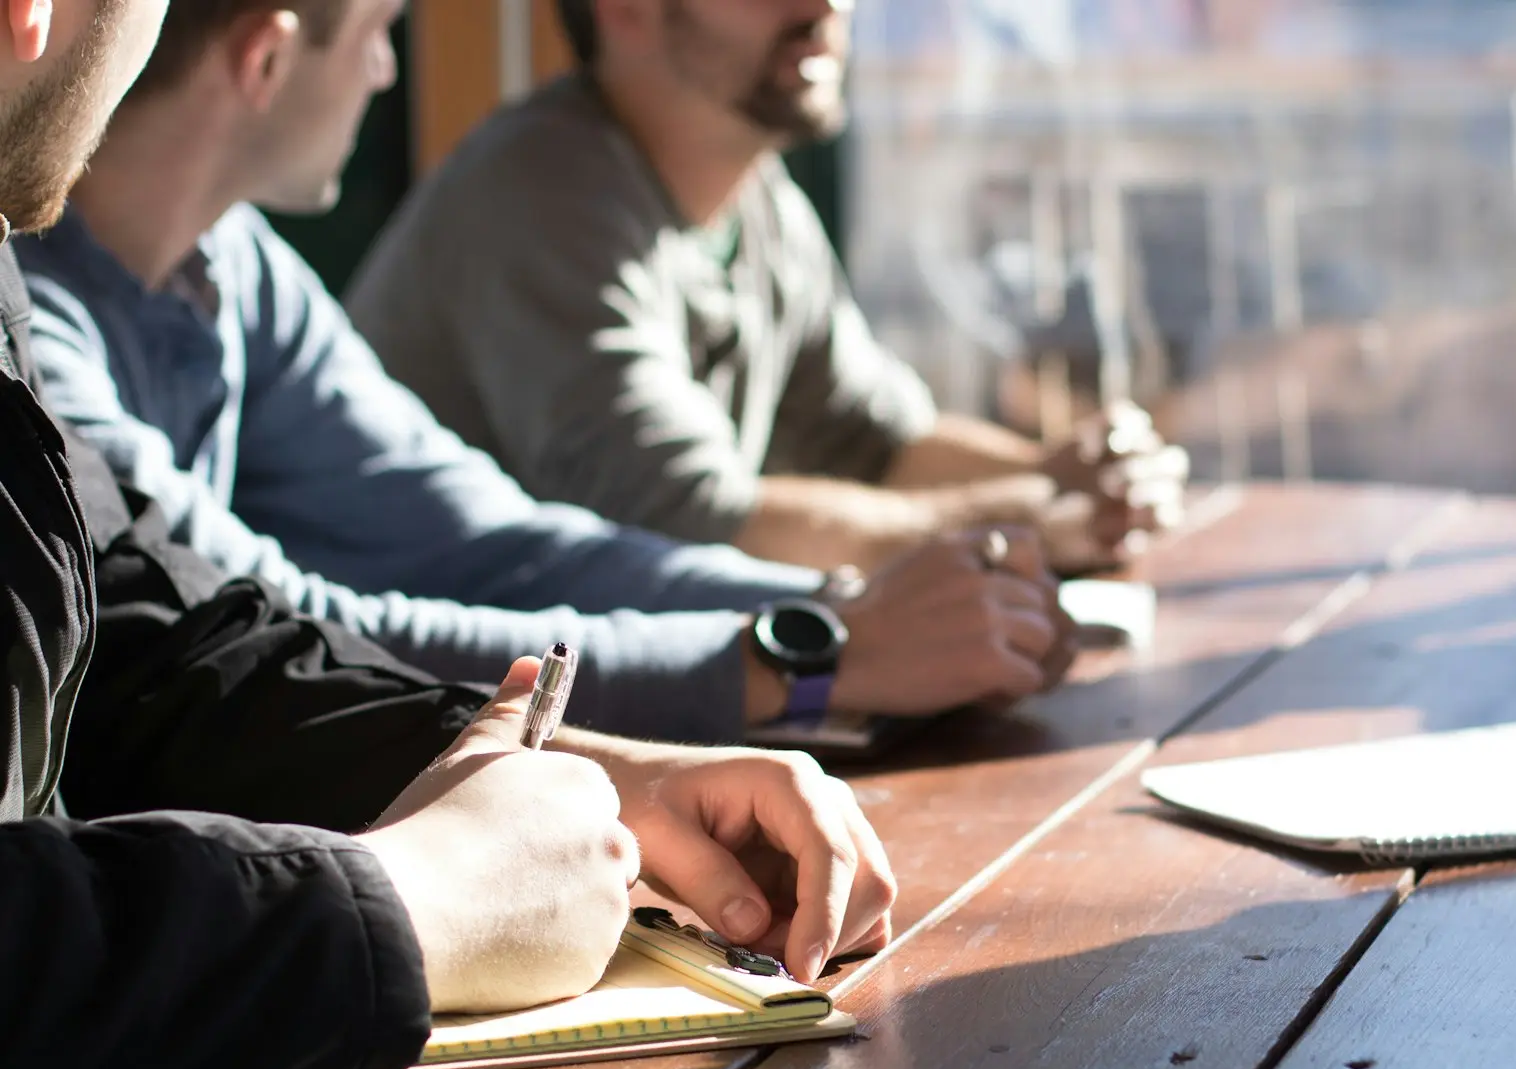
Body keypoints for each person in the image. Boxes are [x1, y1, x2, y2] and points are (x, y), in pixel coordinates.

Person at [0, 2, 894, 1069]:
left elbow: (154, 641)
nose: (389, 70)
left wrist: (563, 765)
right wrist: (405, 901)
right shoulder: (541, 184)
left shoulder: (178, 266)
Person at [21, 0, 1074, 746]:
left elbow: (485, 539)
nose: (390, 72)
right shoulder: (34, 334)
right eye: (388, 29)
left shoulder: (230, 264)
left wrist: (832, 606)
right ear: (263, 61)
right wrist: (807, 654)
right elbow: (274, 636)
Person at [346, 0, 1190, 576]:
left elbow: (878, 442)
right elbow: (690, 525)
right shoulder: (540, 192)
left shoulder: (755, 196)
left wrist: (1070, 474)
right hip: (446, 731)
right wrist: (1031, 518)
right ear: (626, 9)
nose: (829, 5)